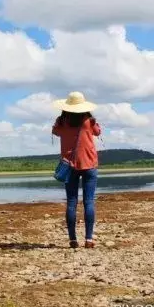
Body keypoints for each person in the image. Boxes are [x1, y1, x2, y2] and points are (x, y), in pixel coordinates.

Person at [52, 91, 102, 249]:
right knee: (89, 202)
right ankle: (88, 239)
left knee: (71, 202)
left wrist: (59, 120)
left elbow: (55, 131)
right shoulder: (88, 120)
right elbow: (98, 132)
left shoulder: (62, 122)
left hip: (70, 166)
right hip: (89, 165)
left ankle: (73, 239)